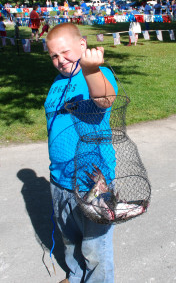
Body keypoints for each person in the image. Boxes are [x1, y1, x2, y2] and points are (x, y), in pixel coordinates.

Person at [45, 23, 118, 283]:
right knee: (70, 238)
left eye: (65, 52)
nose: (60, 60)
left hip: (93, 181)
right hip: (60, 179)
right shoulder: (57, 82)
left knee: (95, 247)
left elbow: (105, 99)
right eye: (53, 55)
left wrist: (90, 69)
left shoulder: (97, 73)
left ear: (83, 45)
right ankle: (76, 277)